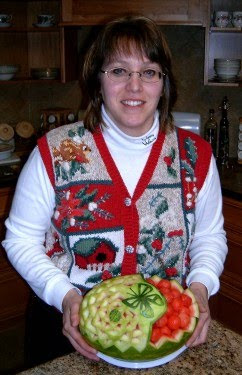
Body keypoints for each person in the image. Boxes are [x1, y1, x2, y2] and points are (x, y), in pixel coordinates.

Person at [2, 15, 227, 363]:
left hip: (164, 334)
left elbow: (209, 237)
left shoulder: (195, 156)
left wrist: (199, 288)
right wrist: (64, 296)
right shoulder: (56, 151)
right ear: (97, 80)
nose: (134, 87)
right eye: (119, 71)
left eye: (149, 72)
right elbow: (20, 239)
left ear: (163, 83)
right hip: (69, 334)